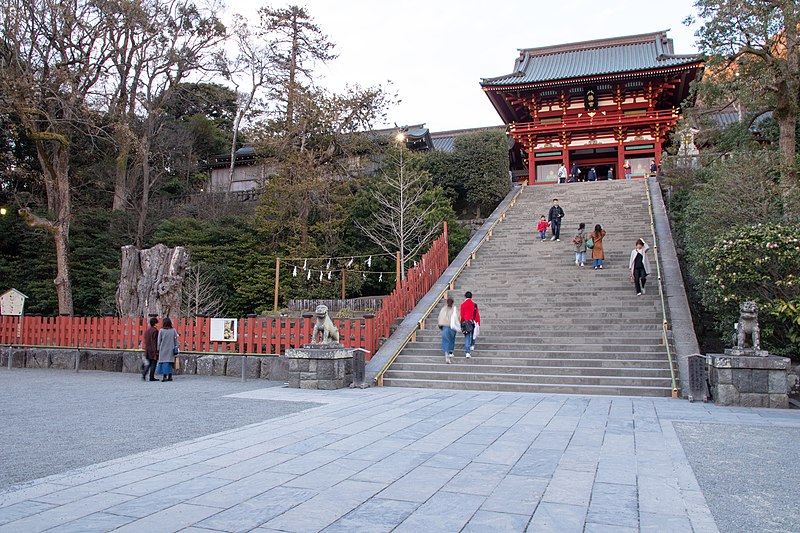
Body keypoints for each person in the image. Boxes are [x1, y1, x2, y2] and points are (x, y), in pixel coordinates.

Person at [437, 297, 460, 363]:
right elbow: (458, 317)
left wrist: (440, 325)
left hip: (445, 326)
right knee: (452, 339)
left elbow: (440, 317)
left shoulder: (443, 309)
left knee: (445, 339)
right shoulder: (455, 309)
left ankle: (446, 351)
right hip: (452, 326)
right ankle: (450, 351)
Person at [157, 317, 179, 381]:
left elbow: (159, 341)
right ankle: (170, 376)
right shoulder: (173, 330)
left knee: (164, 362)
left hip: (163, 349)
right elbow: (175, 340)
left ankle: (164, 376)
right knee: (170, 362)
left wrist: (158, 349)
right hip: (171, 349)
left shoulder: (161, 331)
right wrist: (176, 347)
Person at [460, 291, 481, 358]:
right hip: (473, 322)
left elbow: (462, 315)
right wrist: (478, 322)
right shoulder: (474, 305)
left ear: (465, 296)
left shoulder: (463, 305)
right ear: (471, 297)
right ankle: (472, 345)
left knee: (467, 337)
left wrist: (461, 323)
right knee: (473, 334)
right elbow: (477, 315)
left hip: (466, 322)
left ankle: (467, 352)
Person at [141, 317, 159, 382]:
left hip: (147, 349)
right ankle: (151, 376)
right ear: (155, 323)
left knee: (148, 363)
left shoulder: (147, 331)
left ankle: (144, 374)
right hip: (153, 349)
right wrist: (156, 351)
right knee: (153, 363)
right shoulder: (155, 331)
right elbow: (155, 342)